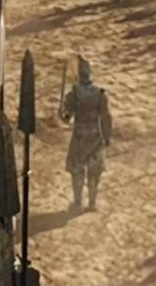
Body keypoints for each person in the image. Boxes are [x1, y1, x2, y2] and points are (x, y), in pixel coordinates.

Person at [60, 55, 112, 211]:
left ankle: (77, 202)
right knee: (94, 171)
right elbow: (106, 118)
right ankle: (92, 203)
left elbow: (66, 117)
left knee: (77, 170)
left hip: (79, 135)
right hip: (95, 135)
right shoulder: (100, 93)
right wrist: (106, 137)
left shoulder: (74, 94)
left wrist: (62, 113)